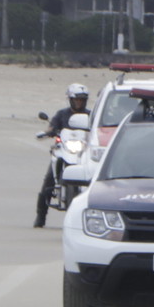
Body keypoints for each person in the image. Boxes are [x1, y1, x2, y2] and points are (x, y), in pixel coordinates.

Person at [34, 82, 92, 228]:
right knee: (48, 181)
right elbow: (51, 127)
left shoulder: (91, 115)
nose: (79, 102)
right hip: (64, 150)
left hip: (83, 150)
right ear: (71, 99)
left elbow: (99, 129)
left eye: (82, 100)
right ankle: (41, 216)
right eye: (77, 99)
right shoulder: (62, 114)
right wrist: (48, 132)